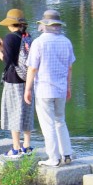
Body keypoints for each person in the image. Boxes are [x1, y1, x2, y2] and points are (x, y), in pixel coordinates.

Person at [24, 9, 75, 167]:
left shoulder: (38, 43)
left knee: (48, 125)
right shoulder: (66, 41)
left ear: (44, 25)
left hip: (44, 90)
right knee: (60, 121)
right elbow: (70, 67)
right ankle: (67, 154)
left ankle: (54, 158)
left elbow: (32, 68)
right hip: (60, 88)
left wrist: (27, 89)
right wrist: (68, 88)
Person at [0, 8, 33, 157]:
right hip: (28, 79)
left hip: (14, 79)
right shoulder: (27, 37)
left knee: (13, 111)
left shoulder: (10, 38)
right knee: (27, 111)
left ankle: (15, 148)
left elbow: (8, 61)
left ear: (10, 24)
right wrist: (5, 47)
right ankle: (27, 146)